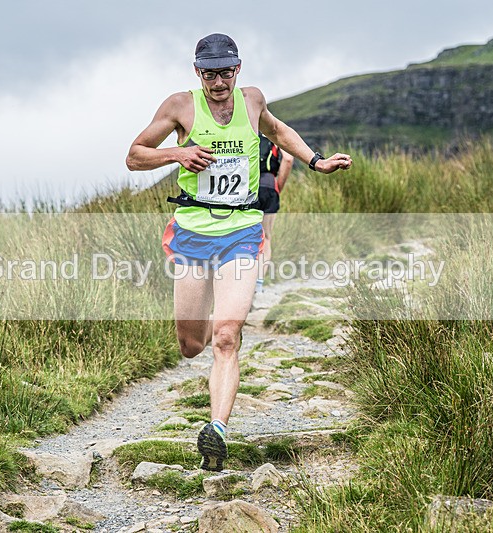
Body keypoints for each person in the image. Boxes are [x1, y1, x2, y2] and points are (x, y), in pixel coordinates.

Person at [126, 33, 352, 471]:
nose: (218, 83)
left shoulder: (252, 101)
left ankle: (217, 431)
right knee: (192, 345)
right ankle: (215, 319)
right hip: (193, 233)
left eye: (225, 73)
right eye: (209, 74)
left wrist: (316, 161)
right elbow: (134, 156)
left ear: (238, 69)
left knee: (227, 337)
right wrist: (178, 153)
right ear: (198, 72)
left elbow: (278, 131)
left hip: (242, 232)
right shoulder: (180, 107)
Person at [255, 132, 293, 294]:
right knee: (266, 238)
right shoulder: (272, 137)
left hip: (244, 189)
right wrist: (278, 188)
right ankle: (258, 284)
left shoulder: (241, 135)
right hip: (269, 187)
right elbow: (289, 159)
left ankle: (239, 282)